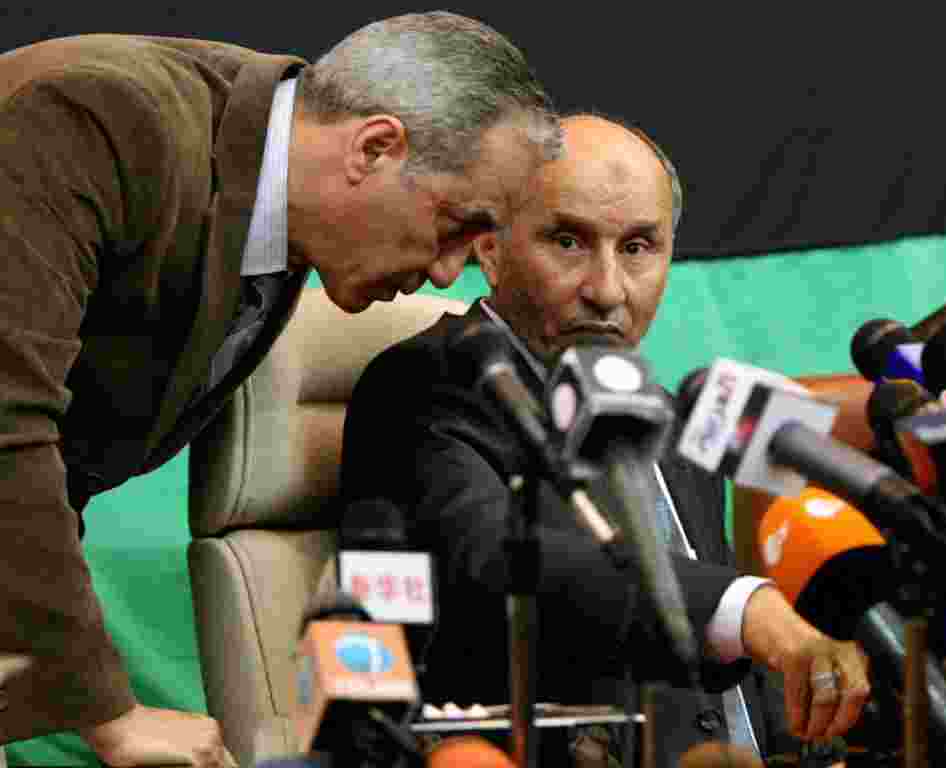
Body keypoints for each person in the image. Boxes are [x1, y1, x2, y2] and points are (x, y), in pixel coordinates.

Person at [0, 12, 561, 767]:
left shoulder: (281, 196)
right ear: (374, 148)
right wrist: (110, 714)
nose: (445, 272)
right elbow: (6, 422)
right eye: (457, 225)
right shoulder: (92, 118)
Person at [336, 114, 869, 766]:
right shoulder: (427, 384)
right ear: (490, 248)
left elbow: (735, 667)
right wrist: (749, 608)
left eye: (639, 247)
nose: (607, 290)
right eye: (568, 241)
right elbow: (494, 565)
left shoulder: (666, 413)